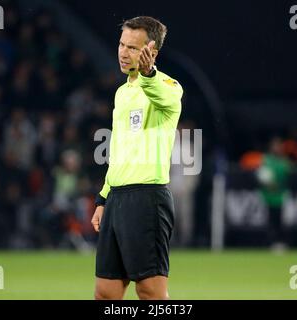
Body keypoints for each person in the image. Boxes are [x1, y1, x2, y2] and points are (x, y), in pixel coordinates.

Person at [90, 16, 183, 300]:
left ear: (151, 52)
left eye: (132, 47)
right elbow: (118, 151)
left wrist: (149, 74)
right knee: (106, 292)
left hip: (147, 198)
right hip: (117, 198)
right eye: (121, 44)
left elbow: (164, 95)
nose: (122, 52)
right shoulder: (122, 93)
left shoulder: (167, 86)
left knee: (151, 292)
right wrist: (104, 198)